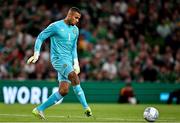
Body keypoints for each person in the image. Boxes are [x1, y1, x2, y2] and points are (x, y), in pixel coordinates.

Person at [27, 7, 92, 120]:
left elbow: (73, 48)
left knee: (64, 90)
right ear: (70, 15)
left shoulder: (75, 30)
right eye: (76, 18)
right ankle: (86, 108)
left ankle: (39, 109)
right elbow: (40, 37)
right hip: (58, 59)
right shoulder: (56, 26)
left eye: (79, 18)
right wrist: (36, 54)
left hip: (68, 61)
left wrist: (76, 63)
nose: (77, 20)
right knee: (74, 77)